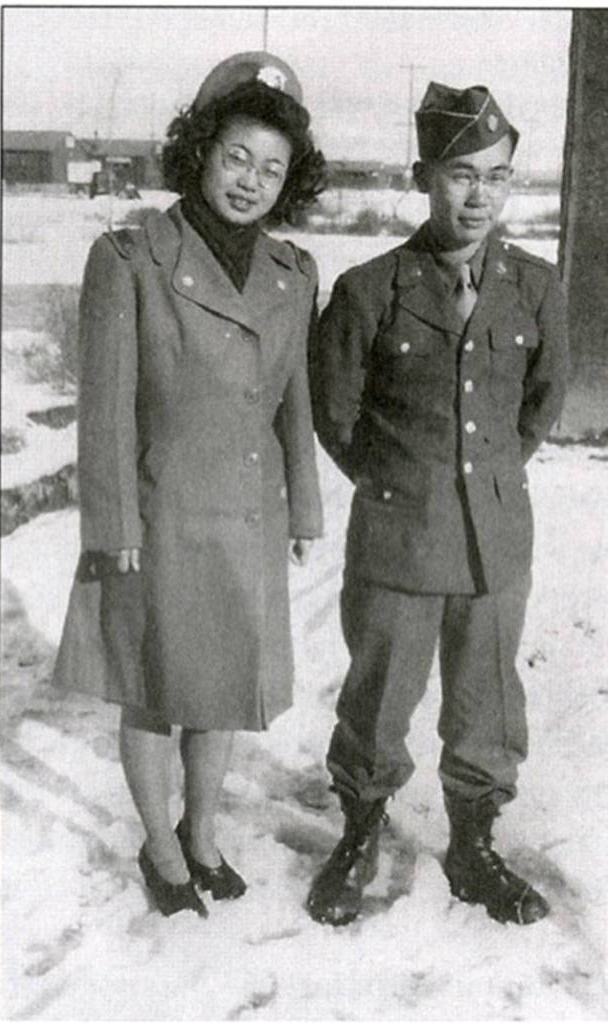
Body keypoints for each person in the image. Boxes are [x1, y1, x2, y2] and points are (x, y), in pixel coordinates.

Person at [55, 51, 325, 918]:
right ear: (201, 150)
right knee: (153, 685)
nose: (250, 180)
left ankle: (202, 831)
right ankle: (161, 844)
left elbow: (294, 402)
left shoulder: (294, 273)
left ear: (290, 182)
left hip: (246, 516)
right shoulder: (129, 257)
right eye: (237, 155)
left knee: (222, 688)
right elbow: (103, 411)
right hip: (158, 514)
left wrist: (307, 506)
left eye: (272, 167)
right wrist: (112, 523)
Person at [307, 82, 568, 927]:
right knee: (379, 697)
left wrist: (483, 481)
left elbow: (537, 407)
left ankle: (474, 841)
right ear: (424, 177)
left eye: (496, 176)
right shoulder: (368, 289)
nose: (479, 194)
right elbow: (337, 416)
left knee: (486, 702)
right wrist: (406, 486)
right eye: (461, 175)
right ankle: (358, 830)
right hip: (397, 533)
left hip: (495, 538)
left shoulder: (534, 287)